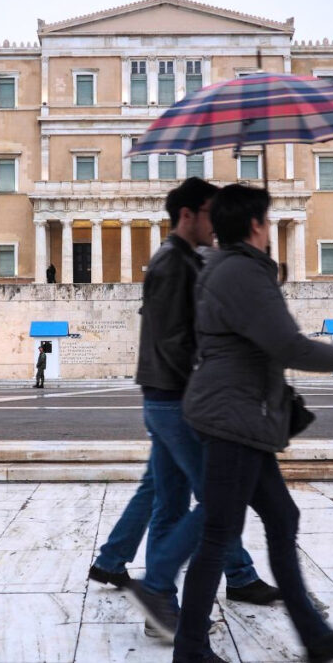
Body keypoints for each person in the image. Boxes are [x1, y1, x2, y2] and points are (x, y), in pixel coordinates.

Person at [174, 184, 333, 663]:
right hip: (233, 416)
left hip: (241, 414)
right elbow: (288, 345)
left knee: (281, 517)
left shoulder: (230, 268)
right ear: (257, 225)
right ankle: (191, 649)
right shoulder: (242, 272)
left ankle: (313, 635)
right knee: (219, 532)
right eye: (265, 219)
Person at [92, 177, 279, 639]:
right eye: (212, 214)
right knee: (217, 500)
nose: (218, 224)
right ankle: (162, 592)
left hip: (165, 398)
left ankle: (176, 601)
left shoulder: (181, 260)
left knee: (171, 502)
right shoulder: (173, 264)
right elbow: (176, 341)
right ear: (188, 214)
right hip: (176, 401)